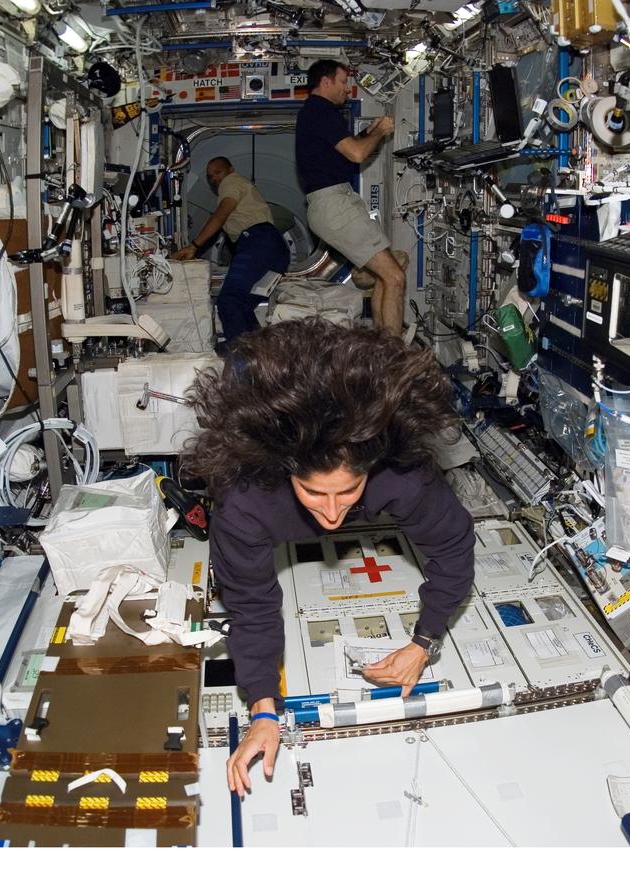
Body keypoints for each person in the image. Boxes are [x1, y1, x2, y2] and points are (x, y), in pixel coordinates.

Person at [187, 319, 474, 798]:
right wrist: (263, 710)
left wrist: (424, 641)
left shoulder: (400, 478)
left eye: (349, 491)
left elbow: (454, 546)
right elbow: (252, 607)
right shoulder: (245, 502)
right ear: (287, 471)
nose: (334, 513)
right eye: (314, 493)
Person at [295, 59, 407, 336]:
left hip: (333, 203)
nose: (347, 89)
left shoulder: (315, 114)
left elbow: (344, 155)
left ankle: (382, 348)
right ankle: (394, 358)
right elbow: (357, 154)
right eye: (343, 82)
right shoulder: (321, 111)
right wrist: (380, 132)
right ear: (326, 81)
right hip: (334, 203)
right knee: (395, 277)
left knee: (386, 275)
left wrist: (370, 132)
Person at [174, 157, 290, 343]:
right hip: (273, 248)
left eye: (218, 172)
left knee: (228, 301)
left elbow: (221, 214)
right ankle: (260, 353)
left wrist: (194, 246)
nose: (215, 179)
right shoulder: (238, 185)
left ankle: (243, 355)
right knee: (241, 303)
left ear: (231, 169)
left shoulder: (231, 182)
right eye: (210, 177)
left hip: (257, 242)